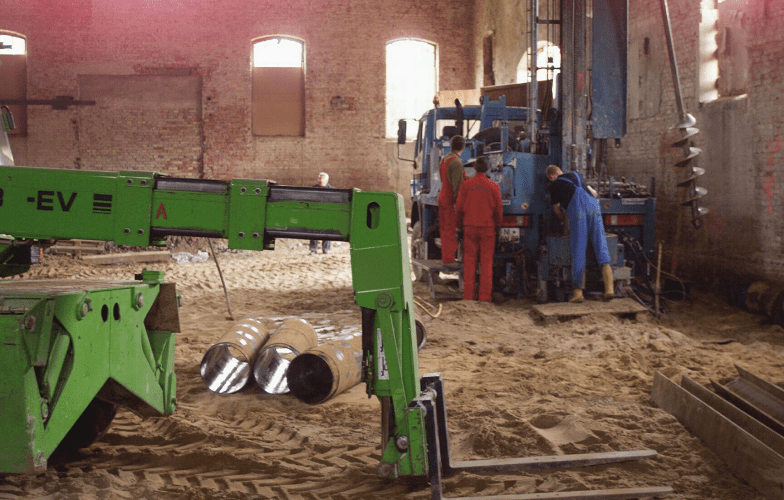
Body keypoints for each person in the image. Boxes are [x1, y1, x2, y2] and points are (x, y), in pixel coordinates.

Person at [545, 164, 614, 302]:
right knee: (601, 246)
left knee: (578, 250)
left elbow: (557, 210)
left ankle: (578, 293)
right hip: (594, 208)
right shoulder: (577, 175)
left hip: (578, 212)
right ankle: (609, 289)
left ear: (552, 176)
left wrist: (563, 220)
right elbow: (594, 193)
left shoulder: (553, 185)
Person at [456, 156, 502, 302]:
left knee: (469, 263)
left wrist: (459, 227)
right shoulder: (494, 186)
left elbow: (459, 209)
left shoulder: (466, 185)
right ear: (488, 168)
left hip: (469, 228)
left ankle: (468, 297)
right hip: (488, 229)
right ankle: (484, 298)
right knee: (486, 263)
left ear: (474, 167)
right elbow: (498, 211)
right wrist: (498, 227)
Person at [438, 135, 466, 269]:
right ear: (463, 147)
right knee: (451, 230)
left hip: (442, 197)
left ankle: (445, 257)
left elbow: (446, 178)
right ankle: (449, 260)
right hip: (450, 200)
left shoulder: (444, 159)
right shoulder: (457, 162)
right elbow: (458, 187)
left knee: (444, 229)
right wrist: (459, 205)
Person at [309, 172, 333, 255]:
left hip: (326, 213)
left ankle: (326, 249)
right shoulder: (313, 188)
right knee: (313, 231)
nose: (319, 180)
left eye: (321, 179)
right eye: (318, 178)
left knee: (327, 232)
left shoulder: (331, 190)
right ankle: (313, 249)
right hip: (315, 213)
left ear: (326, 180)